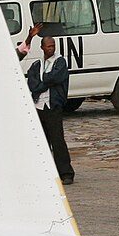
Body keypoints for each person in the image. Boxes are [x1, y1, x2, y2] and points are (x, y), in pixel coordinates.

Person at [26, 32, 75, 185]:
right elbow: (32, 84)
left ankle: (66, 172)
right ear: (42, 48)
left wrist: (42, 81)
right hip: (39, 105)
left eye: (53, 46)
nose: (51, 49)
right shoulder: (37, 64)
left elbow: (55, 78)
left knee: (57, 139)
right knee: (42, 140)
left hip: (53, 105)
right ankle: (45, 171)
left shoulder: (60, 62)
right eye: (48, 46)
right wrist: (43, 83)